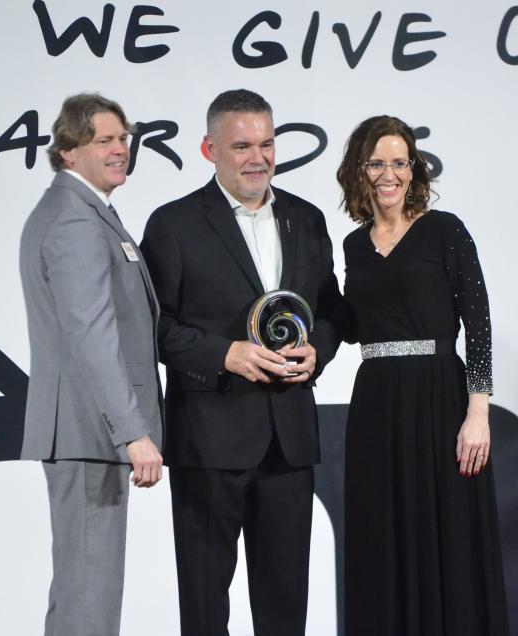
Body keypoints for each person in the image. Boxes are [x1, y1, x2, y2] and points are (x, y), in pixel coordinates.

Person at [140, 89, 344, 636]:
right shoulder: (173, 225)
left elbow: (332, 311)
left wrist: (317, 349)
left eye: (267, 143)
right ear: (209, 150)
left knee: (285, 604)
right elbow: (151, 328)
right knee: (206, 606)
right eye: (242, 146)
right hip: (209, 440)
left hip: (290, 442)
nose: (259, 157)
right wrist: (223, 353)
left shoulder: (307, 218)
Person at [336, 115, 509, 635]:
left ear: (413, 169)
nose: (389, 174)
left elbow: (478, 321)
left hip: (439, 399)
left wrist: (477, 412)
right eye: (377, 163)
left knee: (445, 535)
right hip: (376, 403)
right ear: (359, 171)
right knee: (380, 534)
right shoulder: (353, 244)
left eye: (399, 162)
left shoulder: (444, 230)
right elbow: (350, 323)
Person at [19, 93, 164, 636]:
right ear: (68, 152)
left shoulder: (83, 211)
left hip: (87, 434)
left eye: (123, 138)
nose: (120, 149)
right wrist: (132, 431)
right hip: (89, 433)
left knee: (83, 593)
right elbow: (92, 336)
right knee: (89, 599)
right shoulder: (74, 221)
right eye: (105, 140)